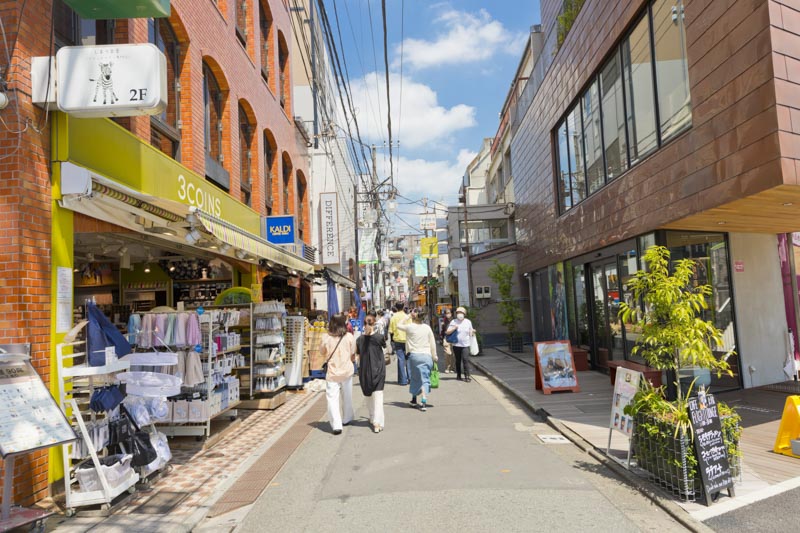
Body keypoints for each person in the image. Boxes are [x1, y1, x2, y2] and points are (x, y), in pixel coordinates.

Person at [320, 313, 357, 435]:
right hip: (346, 370)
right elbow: (353, 353)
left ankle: (336, 424)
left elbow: (322, 352)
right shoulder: (349, 337)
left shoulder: (326, 337)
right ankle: (347, 418)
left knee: (332, 399)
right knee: (347, 395)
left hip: (333, 372)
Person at [397, 308, 438, 411]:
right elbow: (432, 343)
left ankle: (414, 399)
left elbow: (398, 325)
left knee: (415, 378)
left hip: (414, 356)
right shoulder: (427, 328)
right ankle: (423, 399)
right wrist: (434, 356)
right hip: (427, 356)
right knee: (424, 378)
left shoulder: (410, 327)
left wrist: (408, 316)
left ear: (414, 316)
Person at [357, 315, 387, 433]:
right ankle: (377, 422)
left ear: (363, 325)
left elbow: (358, 354)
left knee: (368, 395)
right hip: (378, 369)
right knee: (378, 396)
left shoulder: (359, 340)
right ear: (374, 324)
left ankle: (371, 416)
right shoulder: (379, 337)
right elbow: (385, 348)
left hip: (364, 371)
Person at [445, 306, 474, 382]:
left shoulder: (468, 322)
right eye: (458, 313)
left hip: (465, 344)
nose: (459, 314)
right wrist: (454, 328)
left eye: (461, 313)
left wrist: (472, 331)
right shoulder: (453, 322)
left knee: (465, 359)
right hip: (456, 345)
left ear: (464, 314)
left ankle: (467, 375)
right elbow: (447, 332)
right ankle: (458, 375)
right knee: (458, 360)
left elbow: (471, 330)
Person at [388, 301, 409, 385]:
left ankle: (402, 380)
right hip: (407, 340)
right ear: (403, 306)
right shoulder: (407, 317)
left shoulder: (393, 317)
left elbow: (391, 331)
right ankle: (410, 378)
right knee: (409, 359)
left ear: (396, 307)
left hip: (397, 340)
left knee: (400, 360)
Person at [439, 308, 455, 373]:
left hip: (454, 338)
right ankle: (447, 367)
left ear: (451, 313)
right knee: (447, 353)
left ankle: (452, 368)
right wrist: (441, 338)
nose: (448, 314)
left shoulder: (455, 320)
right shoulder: (444, 321)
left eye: (449, 313)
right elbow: (443, 330)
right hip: (446, 338)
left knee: (453, 354)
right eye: (446, 313)